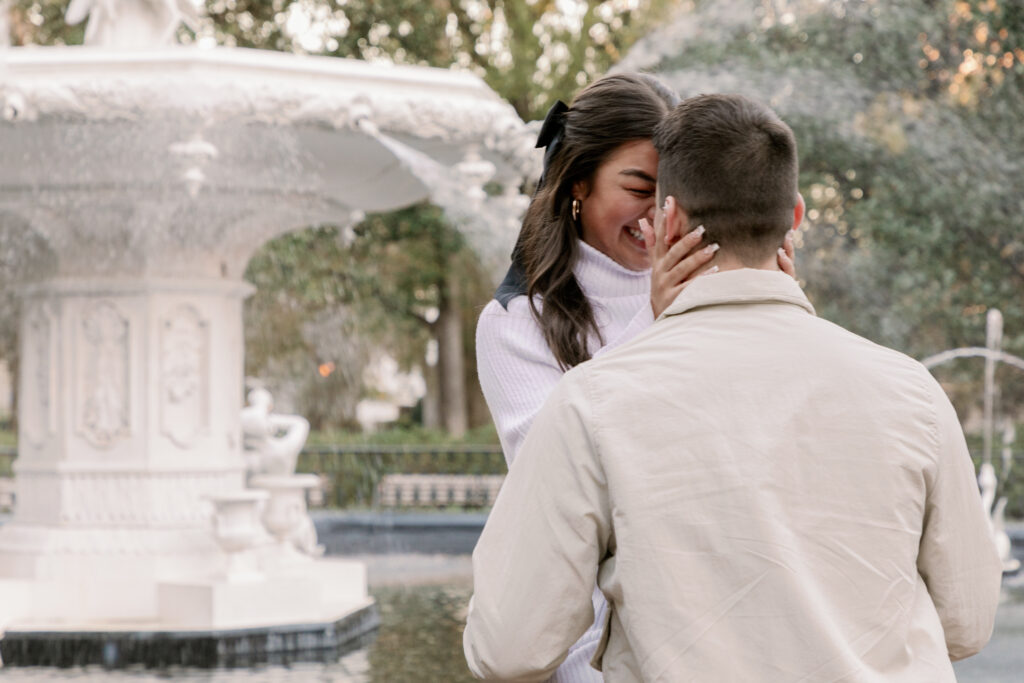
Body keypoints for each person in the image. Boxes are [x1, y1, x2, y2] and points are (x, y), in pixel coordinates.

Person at [464, 93, 1002, 681]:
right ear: (794, 216)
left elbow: (511, 647)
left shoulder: (590, 402)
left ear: (671, 218)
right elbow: (969, 623)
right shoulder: (913, 390)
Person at [475, 73, 795, 682]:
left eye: (670, 193)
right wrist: (657, 319)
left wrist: (770, 304)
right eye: (639, 187)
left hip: (716, 630)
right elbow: (560, 474)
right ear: (577, 183)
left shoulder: (710, 284)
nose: (659, 214)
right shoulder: (517, 323)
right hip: (594, 651)